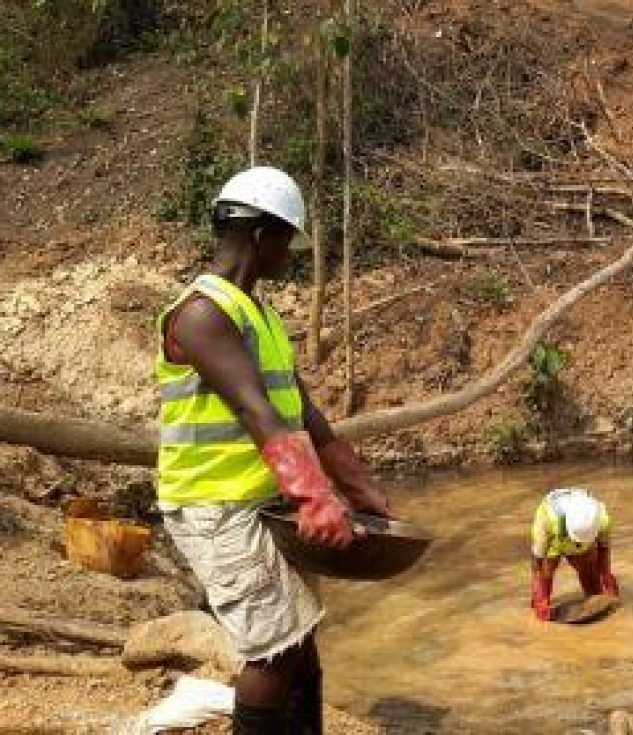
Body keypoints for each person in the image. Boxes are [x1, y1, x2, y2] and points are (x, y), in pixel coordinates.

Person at [155, 166, 391, 734]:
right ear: (262, 236)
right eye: (288, 241)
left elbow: (305, 414)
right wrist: (315, 499)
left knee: (300, 640)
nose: (290, 256)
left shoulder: (260, 316)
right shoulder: (201, 314)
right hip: (214, 506)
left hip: (259, 500)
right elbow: (255, 412)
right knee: (274, 652)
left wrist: (358, 489)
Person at [529, 488, 620, 621]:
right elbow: (537, 559)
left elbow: (604, 548)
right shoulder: (547, 519)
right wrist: (539, 589)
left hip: (583, 539)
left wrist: (606, 575)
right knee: (546, 575)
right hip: (554, 539)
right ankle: (541, 606)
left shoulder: (601, 519)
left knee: (591, 578)